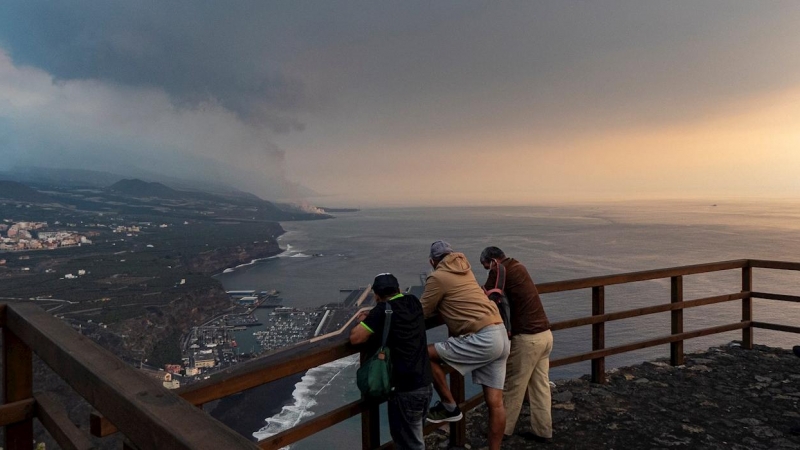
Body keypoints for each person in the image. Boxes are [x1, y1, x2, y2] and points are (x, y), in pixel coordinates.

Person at [420, 240, 510, 450]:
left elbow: (422, 310)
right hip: (500, 334)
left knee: (423, 355)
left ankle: (449, 406)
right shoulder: (466, 271)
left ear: (432, 261)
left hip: (482, 338)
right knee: (496, 403)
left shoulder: (437, 276)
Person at [350, 273, 433, 450]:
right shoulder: (413, 302)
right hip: (425, 383)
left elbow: (356, 338)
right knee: (416, 436)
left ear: (376, 295)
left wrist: (368, 318)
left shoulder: (381, 311)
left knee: (409, 444)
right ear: (399, 290)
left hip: (405, 390)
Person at [480, 246, 553, 442]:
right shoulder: (518, 265)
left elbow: (485, 296)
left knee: (513, 384)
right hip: (545, 334)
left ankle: (501, 430)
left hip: (528, 338)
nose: (488, 271)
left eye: (486, 267)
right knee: (540, 386)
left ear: (493, 261)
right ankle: (543, 431)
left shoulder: (499, 270)